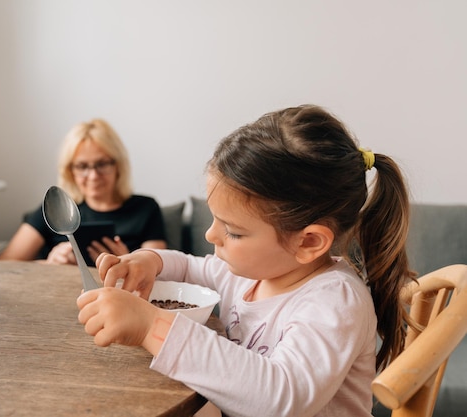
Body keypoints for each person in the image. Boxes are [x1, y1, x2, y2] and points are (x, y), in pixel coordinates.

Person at [76, 105, 416, 417]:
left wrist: (152, 327)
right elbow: (192, 267)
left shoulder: (334, 301)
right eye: (215, 220)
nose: (211, 236)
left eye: (233, 232)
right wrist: (148, 262)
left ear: (308, 242)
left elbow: (281, 398)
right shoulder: (252, 272)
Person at [0, 118, 167, 264]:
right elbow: (5, 264)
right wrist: (48, 264)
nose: (93, 176)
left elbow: (158, 272)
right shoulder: (55, 210)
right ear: (70, 171)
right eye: (82, 166)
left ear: (118, 166)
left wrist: (126, 261)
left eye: (102, 164)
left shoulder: (146, 208)